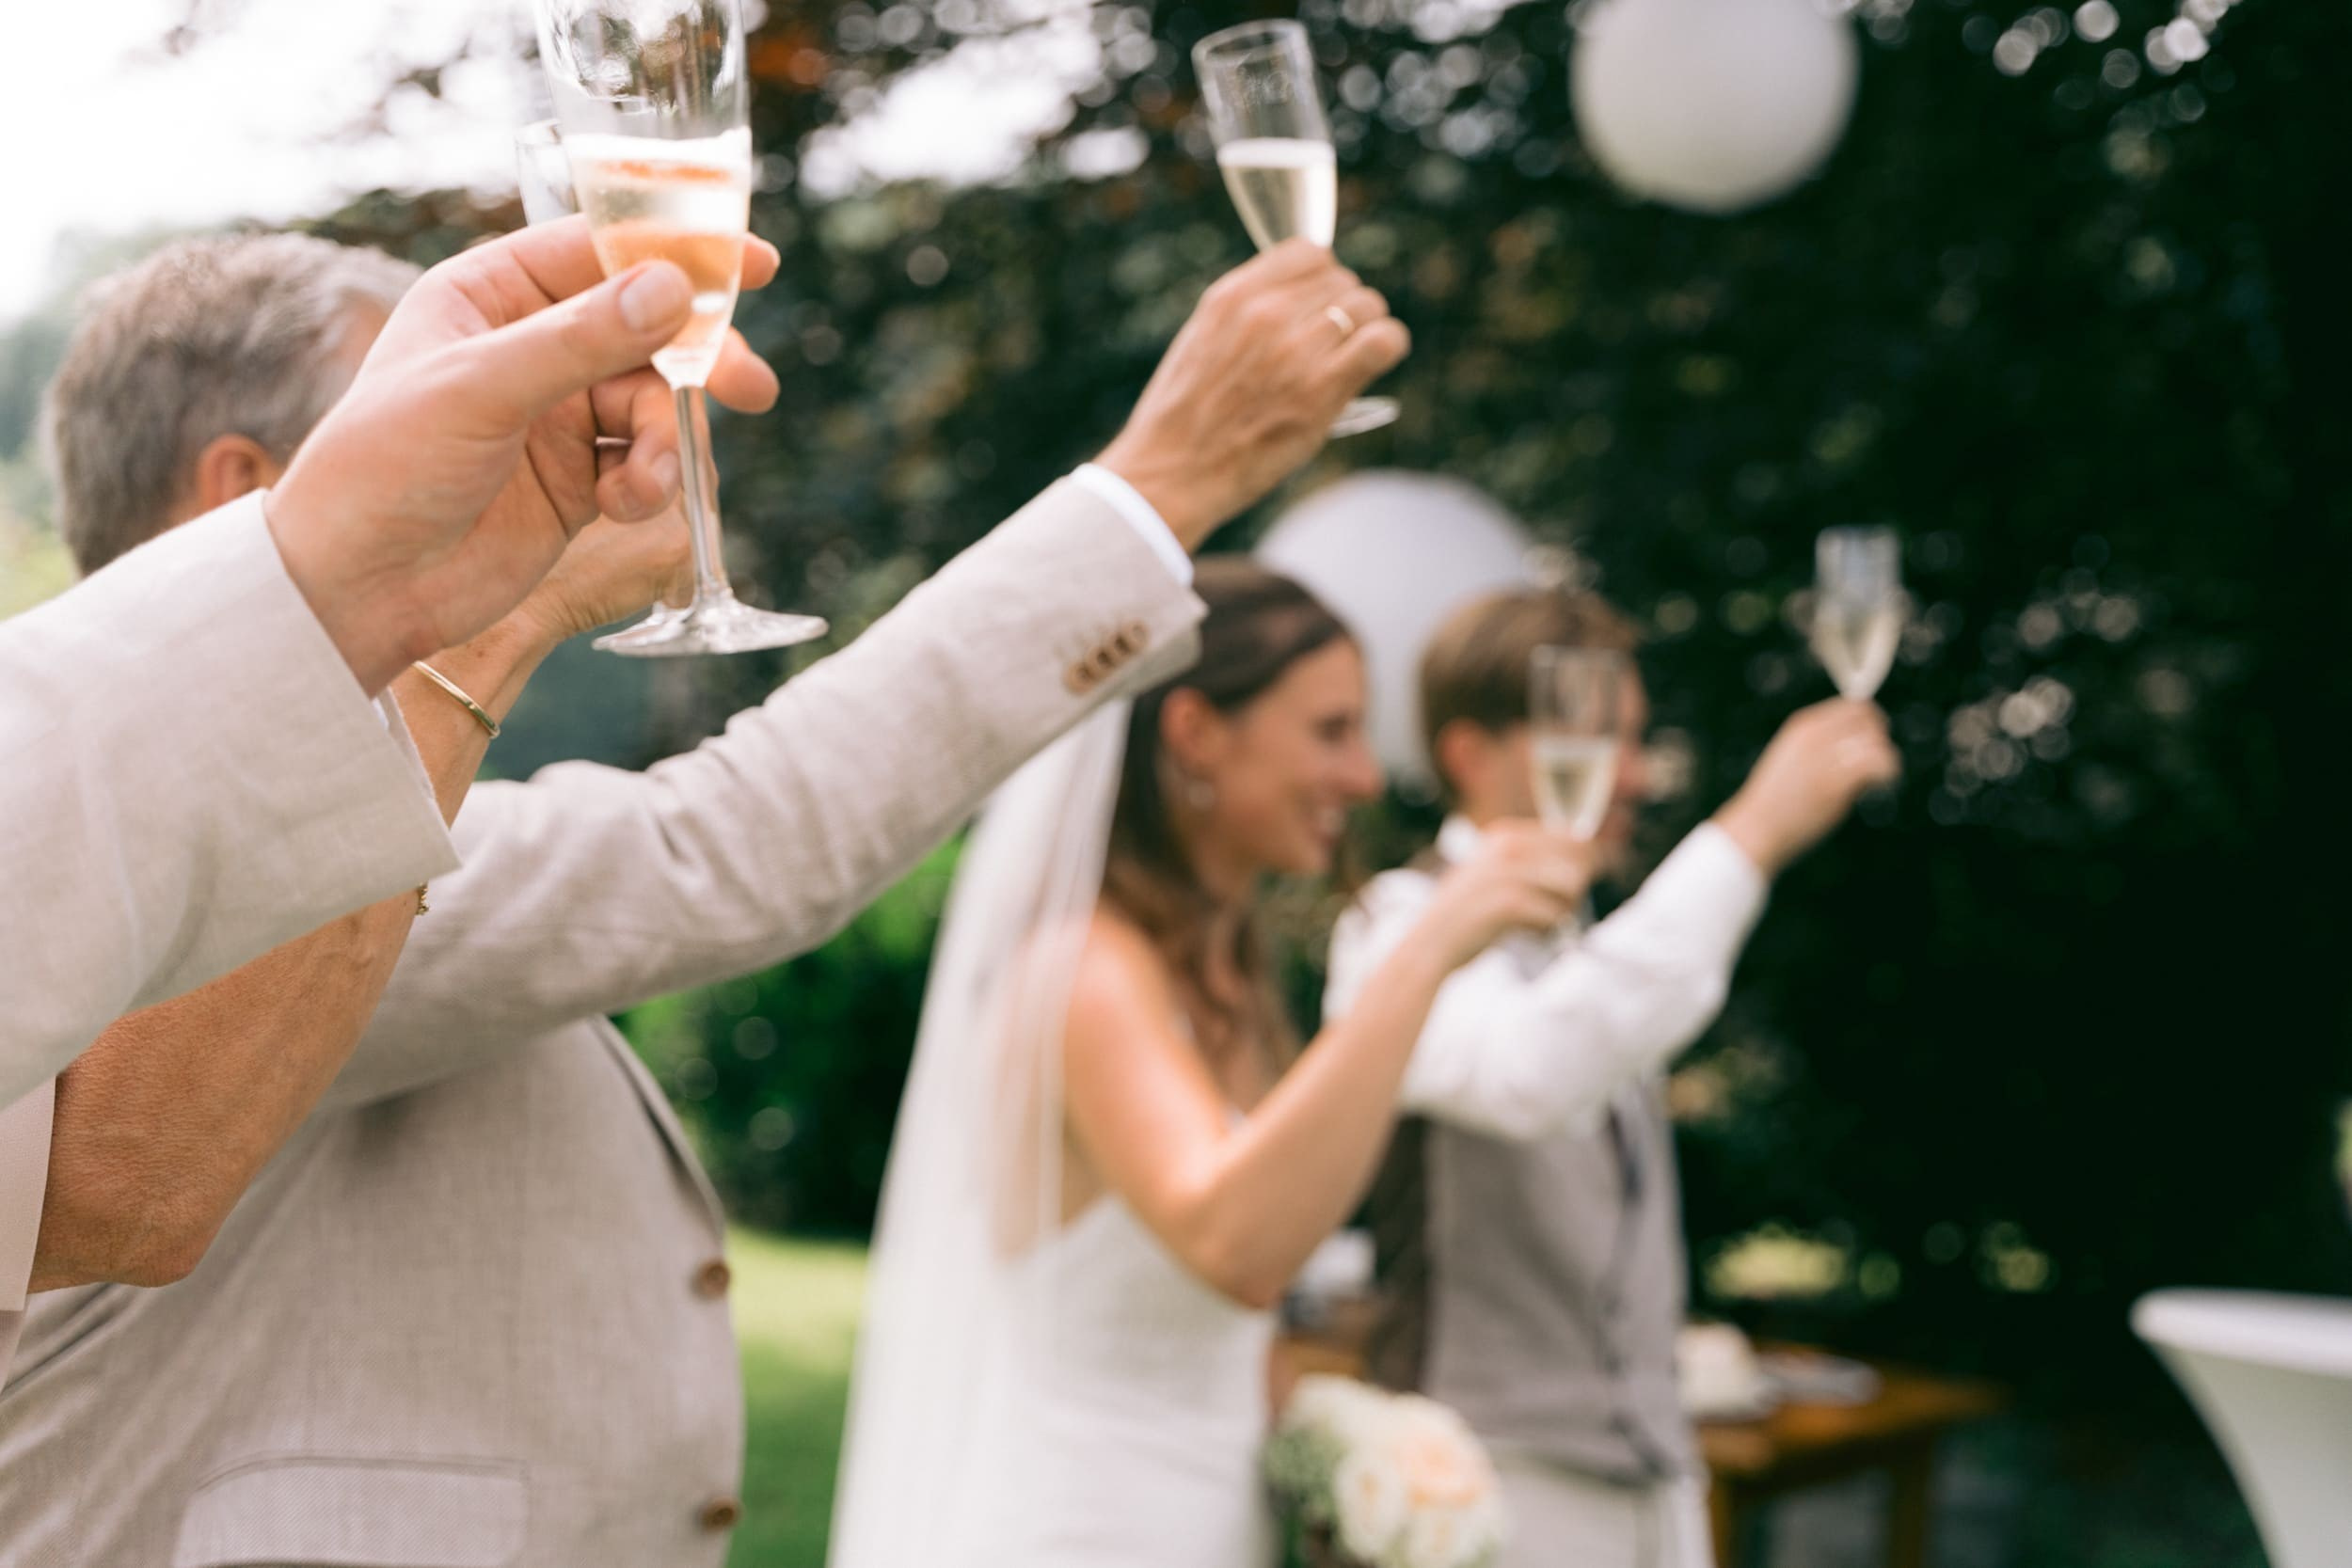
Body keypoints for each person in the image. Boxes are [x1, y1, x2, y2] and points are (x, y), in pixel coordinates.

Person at [0, 235, 1410, 1566]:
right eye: (452, 414)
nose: (515, 446)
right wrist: (1158, 483)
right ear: (240, 490)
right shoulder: (188, 858)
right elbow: (735, 839)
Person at [829, 562, 1594, 1568]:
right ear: (1195, 732)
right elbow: (1235, 1242)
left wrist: (1349, 1456)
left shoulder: (1229, 974)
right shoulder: (1083, 972)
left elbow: (1230, 1315)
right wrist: (1427, 952)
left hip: (1212, 1522)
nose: (1366, 777)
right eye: (1331, 731)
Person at [0, 216, 781, 1101]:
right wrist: (506, 623)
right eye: (420, 405)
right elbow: (730, 845)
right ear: (244, 489)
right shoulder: (228, 899)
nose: (495, 437)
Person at [1323, 587, 1900, 1568]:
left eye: (1635, 739)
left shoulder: (1586, 939)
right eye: (1598, 740)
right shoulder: (1392, 927)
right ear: (1470, 753)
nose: (1633, 775)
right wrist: (1753, 831)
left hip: (1652, 1486)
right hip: (1487, 1486)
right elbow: (1528, 1075)